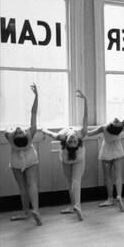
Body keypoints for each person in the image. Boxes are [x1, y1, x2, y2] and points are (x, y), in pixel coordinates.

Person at [41, 90, 88, 221]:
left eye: (71, 140)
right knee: (69, 182)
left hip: (78, 157)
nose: (72, 138)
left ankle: (77, 206)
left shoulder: (61, 137)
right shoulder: (79, 134)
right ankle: (73, 205)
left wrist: (85, 100)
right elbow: (85, 118)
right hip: (67, 157)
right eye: (72, 140)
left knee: (75, 181)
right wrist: (85, 101)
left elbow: (48, 132)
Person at [5, 83, 42, 226]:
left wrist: (14, 135)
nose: (19, 129)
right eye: (20, 131)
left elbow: (6, 131)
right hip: (30, 158)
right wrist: (37, 96)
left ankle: (26, 212)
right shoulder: (30, 133)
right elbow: (33, 114)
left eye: (19, 131)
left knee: (23, 186)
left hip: (16, 160)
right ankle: (36, 211)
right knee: (32, 184)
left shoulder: (9, 137)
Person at [88, 99, 124, 212]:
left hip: (106, 152)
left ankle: (110, 198)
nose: (117, 119)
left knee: (108, 176)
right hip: (117, 151)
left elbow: (89, 134)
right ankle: (119, 196)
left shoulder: (104, 128)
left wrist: (80, 131)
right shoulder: (120, 128)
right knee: (118, 176)